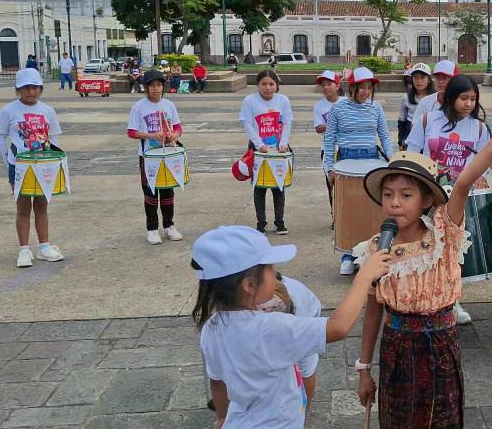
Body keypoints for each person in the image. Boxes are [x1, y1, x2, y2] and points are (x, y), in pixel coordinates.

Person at [354, 112, 492, 429]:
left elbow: (464, 180)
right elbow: (372, 311)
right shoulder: (374, 250)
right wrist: (364, 368)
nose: (395, 203)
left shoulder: (443, 232)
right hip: (396, 349)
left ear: (426, 201)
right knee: (398, 420)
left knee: (444, 420)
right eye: (388, 194)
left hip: (441, 344)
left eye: (406, 195)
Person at [194, 226, 391, 429]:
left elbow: (217, 382)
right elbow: (338, 327)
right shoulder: (271, 327)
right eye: (271, 269)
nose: (276, 274)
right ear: (249, 285)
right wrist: (363, 277)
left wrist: (221, 418)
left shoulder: (211, 328)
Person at [403, 73, 490, 325]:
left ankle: (452, 300)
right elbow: (412, 156)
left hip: (460, 199)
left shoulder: (479, 127)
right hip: (430, 195)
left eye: (473, 99)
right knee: (427, 247)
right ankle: (422, 295)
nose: (469, 104)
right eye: (464, 98)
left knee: (453, 249)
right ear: (451, 97)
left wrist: (482, 175)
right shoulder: (427, 119)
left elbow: (482, 161)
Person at [323, 67, 393, 275]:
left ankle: (370, 255)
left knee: (371, 210)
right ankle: (347, 255)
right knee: (349, 211)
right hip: (346, 160)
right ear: (352, 87)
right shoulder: (338, 109)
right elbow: (329, 140)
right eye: (361, 87)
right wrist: (330, 168)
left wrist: (391, 161)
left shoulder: (376, 108)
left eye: (369, 88)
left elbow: (385, 136)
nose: (365, 91)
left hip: (372, 159)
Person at [0, 68, 66, 267]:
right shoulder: (8, 110)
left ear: (40, 89)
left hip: (42, 165)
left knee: (42, 207)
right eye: (25, 88)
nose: (31, 92)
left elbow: (53, 137)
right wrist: (7, 160)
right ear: (18, 89)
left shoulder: (47, 110)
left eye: (35, 87)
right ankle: (24, 250)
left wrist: (51, 161)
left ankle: (44, 247)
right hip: (19, 166)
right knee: (23, 208)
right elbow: (0, 136)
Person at [127, 70, 185, 245]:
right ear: (146, 87)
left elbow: (178, 127)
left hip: (168, 155)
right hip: (148, 156)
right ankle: (152, 229)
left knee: (168, 191)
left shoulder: (169, 105)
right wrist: (151, 136)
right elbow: (131, 132)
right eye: (152, 86)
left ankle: (169, 226)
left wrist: (174, 135)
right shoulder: (139, 107)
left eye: (159, 85)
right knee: (151, 193)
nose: (156, 89)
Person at [239, 70, 293, 235]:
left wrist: (283, 143)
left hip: (278, 148)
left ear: (277, 85)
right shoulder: (250, 100)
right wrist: (258, 144)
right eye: (264, 84)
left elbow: (287, 123)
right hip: (258, 149)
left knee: (279, 186)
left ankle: (280, 222)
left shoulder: (283, 100)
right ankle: (261, 222)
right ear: (257, 85)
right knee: (259, 187)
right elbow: (248, 124)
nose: (267, 87)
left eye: (271, 84)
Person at [313, 71, 343, 218]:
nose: (325, 87)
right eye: (323, 85)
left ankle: (346, 215)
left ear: (337, 86)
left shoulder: (346, 102)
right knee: (331, 184)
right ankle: (335, 216)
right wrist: (334, 123)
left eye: (329, 84)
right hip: (328, 149)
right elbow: (319, 128)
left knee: (347, 184)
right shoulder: (319, 106)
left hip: (346, 148)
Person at [397, 63, 433, 150]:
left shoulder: (434, 98)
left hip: (429, 135)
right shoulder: (406, 97)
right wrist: (401, 141)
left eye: (422, 77)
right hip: (410, 134)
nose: (419, 81)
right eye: (415, 77)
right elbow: (402, 121)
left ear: (428, 80)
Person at [410, 59, 457, 125]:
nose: (440, 82)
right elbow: (414, 127)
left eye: (445, 78)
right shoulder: (425, 102)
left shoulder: (461, 103)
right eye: (437, 78)